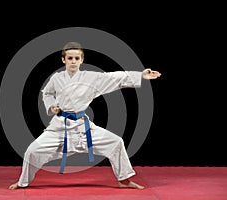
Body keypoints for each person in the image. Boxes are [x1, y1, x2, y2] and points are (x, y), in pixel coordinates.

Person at [9, 41, 161, 190]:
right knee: (32, 151)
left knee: (116, 143)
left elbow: (113, 77)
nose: (73, 61)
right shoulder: (56, 78)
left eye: (77, 58)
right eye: (70, 58)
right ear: (63, 60)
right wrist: (51, 105)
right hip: (60, 126)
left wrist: (140, 75)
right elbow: (47, 93)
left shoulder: (91, 78)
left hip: (83, 126)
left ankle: (124, 180)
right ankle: (23, 182)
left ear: (82, 60)